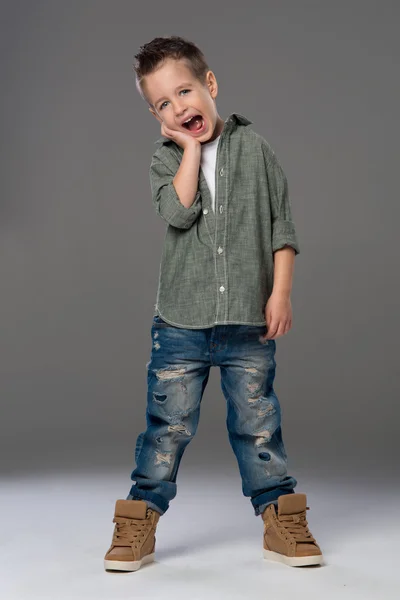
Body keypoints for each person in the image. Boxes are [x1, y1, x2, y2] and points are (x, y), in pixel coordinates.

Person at [104, 35, 323, 572]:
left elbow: (282, 226)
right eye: (162, 104)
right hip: (182, 323)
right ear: (156, 116)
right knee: (168, 425)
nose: (178, 107)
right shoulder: (165, 160)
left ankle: (280, 516)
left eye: (184, 91)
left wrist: (281, 291)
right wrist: (190, 149)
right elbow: (178, 214)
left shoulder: (257, 149)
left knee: (258, 424)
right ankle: (138, 520)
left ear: (210, 85)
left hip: (249, 321)